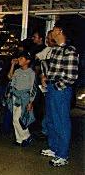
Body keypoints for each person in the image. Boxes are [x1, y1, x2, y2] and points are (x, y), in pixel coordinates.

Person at [41, 21, 79, 167]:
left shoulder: (70, 51)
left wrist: (56, 86)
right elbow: (54, 70)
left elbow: (71, 76)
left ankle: (62, 154)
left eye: (54, 29)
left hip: (60, 90)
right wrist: (46, 78)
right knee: (50, 119)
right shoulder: (56, 49)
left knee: (61, 122)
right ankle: (54, 147)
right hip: (52, 88)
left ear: (60, 31)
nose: (52, 32)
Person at [7, 51, 36, 147]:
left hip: (24, 98)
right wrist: (12, 65)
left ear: (27, 61)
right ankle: (19, 139)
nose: (19, 60)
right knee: (15, 118)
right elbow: (10, 78)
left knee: (18, 119)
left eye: (21, 59)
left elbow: (33, 87)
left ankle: (26, 136)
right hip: (15, 97)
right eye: (19, 58)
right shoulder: (17, 71)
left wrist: (31, 102)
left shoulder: (31, 73)